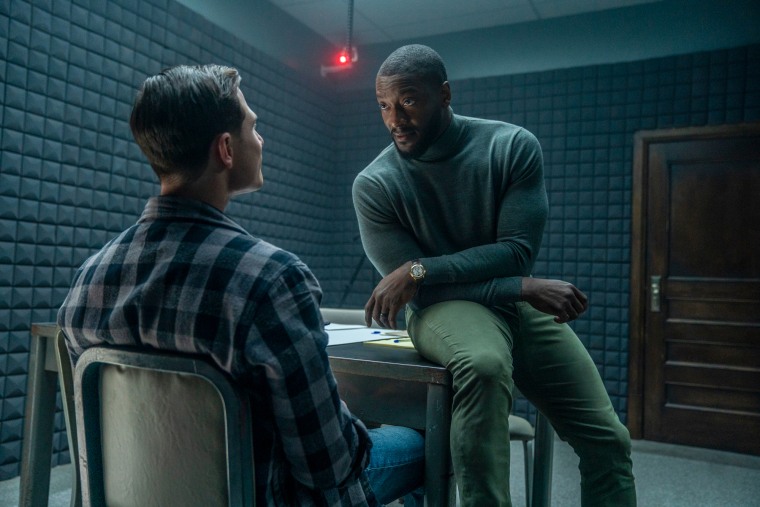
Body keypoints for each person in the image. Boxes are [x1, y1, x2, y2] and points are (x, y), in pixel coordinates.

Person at [57, 64, 424, 507]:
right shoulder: (272, 279)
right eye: (254, 127)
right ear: (226, 149)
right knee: (421, 438)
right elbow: (329, 463)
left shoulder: (89, 278)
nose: (260, 140)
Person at [352, 45, 637, 506]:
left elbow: (515, 253)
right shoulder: (374, 184)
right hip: (443, 309)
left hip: (512, 303)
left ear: (444, 94)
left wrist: (421, 268)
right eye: (384, 105)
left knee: (609, 439)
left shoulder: (511, 146)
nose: (395, 119)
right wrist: (522, 288)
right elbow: (421, 293)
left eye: (408, 100)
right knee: (484, 364)